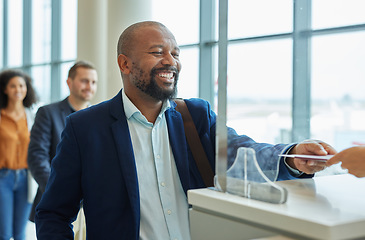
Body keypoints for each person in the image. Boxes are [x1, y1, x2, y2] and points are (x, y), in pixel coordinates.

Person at [35, 21, 336, 240]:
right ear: (125, 64)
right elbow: (53, 213)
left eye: (175, 53)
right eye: (157, 52)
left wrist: (292, 156)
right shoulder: (86, 128)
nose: (171, 61)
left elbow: (242, 151)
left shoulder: (195, 116)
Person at [27, 61, 97, 224]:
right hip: (56, 203)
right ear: (69, 82)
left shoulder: (99, 116)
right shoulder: (47, 113)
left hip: (92, 206)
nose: (89, 86)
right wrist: (58, 191)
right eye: (84, 81)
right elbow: (37, 157)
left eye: (93, 82)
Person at [0, 69, 38, 240]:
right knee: (4, 233)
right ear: (5, 89)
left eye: (21, 85)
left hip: (26, 179)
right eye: (13, 86)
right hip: (3, 179)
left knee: (20, 233)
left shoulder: (32, 117)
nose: (18, 90)